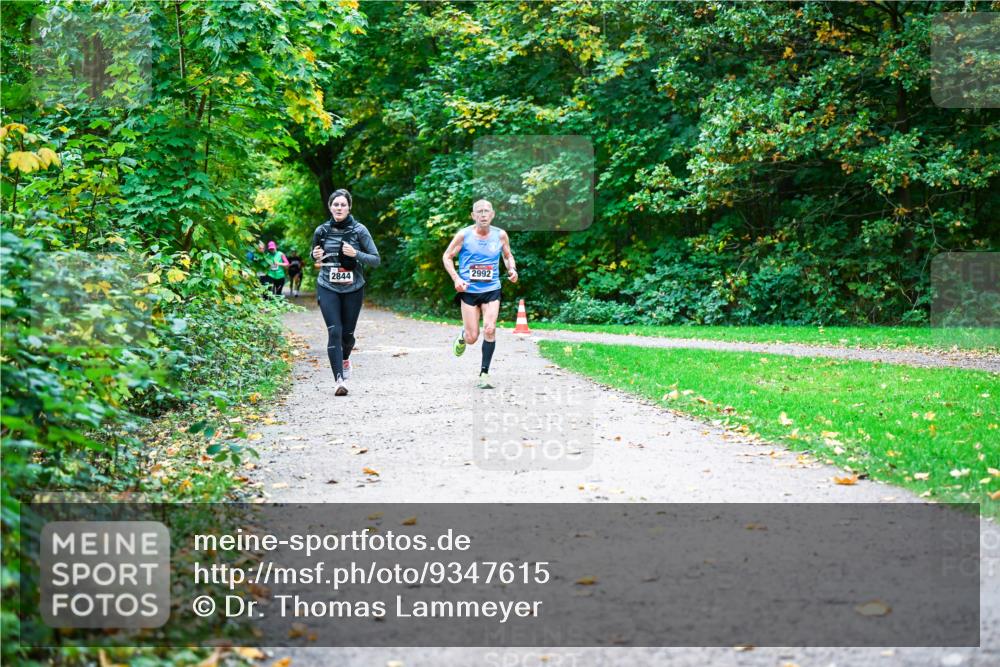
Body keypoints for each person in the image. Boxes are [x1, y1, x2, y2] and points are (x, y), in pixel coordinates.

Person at [442, 199, 517, 389]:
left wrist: (512, 269)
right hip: (469, 291)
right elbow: (447, 256)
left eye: (486, 211)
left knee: (490, 329)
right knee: (472, 337)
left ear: (492, 214)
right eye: (479, 211)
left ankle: (484, 373)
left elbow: (507, 256)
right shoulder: (464, 235)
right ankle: (463, 335)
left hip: (492, 289)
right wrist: (456, 279)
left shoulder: (500, 235)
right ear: (473, 216)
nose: (483, 214)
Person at [311, 189, 380, 396]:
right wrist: (315, 254)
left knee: (347, 336)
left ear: (349, 207)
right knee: (334, 331)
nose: (339, 208)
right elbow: (315, 256)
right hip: (327, 286)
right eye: (335, 204)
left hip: (353, 288)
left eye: (343, 204)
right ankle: (339, 380)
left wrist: (356, 253)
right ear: (330, 207)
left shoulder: (359, 230)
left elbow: (376, 259)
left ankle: (345, 357)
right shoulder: (321, 231)